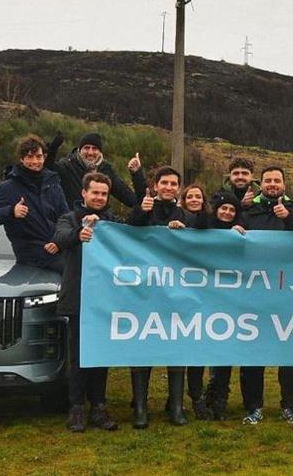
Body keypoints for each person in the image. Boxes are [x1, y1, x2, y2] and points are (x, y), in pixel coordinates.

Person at [236, 166, 293, 424]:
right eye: (268, 181)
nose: (272, 184)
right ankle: (253, 406)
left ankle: (291, 405)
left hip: (289, 293)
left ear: (284, 184)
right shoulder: (248, 211)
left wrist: (288, 218)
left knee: (290, 354)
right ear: (261, 184)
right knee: (254, 353)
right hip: (255, 293)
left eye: (277, 180)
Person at [52, 172, 119, 433]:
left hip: (106, 300)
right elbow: (60, 239)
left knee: (101, 355)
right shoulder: (68, 218)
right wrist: (81, 232)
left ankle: (99, 407)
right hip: (79, 299)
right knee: (79, 355)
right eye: (95, 192)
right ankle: (76, 407)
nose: (100, 197)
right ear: (84, 193)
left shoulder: (112, 222)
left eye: (104, 194)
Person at [171, 189, 245, 421]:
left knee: (223, 351)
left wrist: (239, 235)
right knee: (195, 351)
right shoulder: (203, 227)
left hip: (227, 302)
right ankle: (195, 398)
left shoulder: (240, 233)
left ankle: (219, 397)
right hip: (198, 299)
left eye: (232, 210)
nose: (227, 212)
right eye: (223, 208)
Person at [125, 166, 187, 428]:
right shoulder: (144, 208)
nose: (169, 187)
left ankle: (175, 406)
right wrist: (142, 211)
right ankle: (140, 407)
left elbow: (201, 236)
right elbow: (128, 232)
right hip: (146, 291)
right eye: (165, 183)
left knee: (177, 347)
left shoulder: (185, 213)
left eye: (174, 183)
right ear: (156, 185)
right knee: (143, 347)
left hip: (178, 293)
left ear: (179, 188)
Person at [0, 134, 69, 272]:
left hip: (58, 251)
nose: (35, 161)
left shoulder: (53, 183)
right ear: (21, 159)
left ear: (44, 157)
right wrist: (11, 212)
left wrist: (59, 242)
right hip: (31, 259)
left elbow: (66, 218)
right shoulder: (8, 188)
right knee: (76, 274)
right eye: (30, 157)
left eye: (38, 156)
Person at [50, 132, 146, 208]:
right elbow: (46, 171)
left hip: (100, 226)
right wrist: (52, 150)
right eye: (86, 148)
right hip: (73, 225)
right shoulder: (66, 166)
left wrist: (137, 174)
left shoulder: (107, 170)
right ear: (79, 150)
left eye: (95, 148)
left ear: (100, 152)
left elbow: (133, 201)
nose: (90, 152)